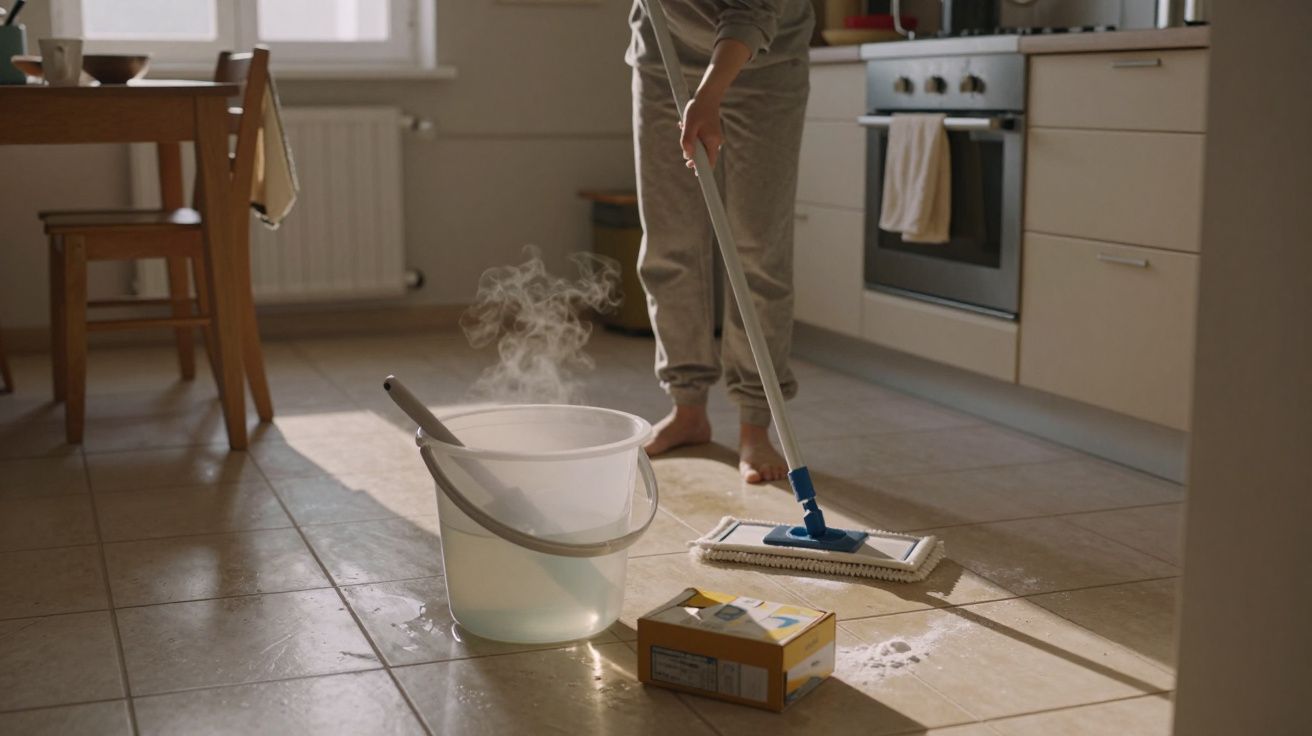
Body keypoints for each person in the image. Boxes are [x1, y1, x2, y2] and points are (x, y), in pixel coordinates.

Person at [626, 0, 814, 483]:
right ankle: (687, 408)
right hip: (665, 55)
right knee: (670, 242)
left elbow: (753, 10)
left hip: (766, 61)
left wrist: (708, 97)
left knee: (756, 248)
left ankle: (755, 421)